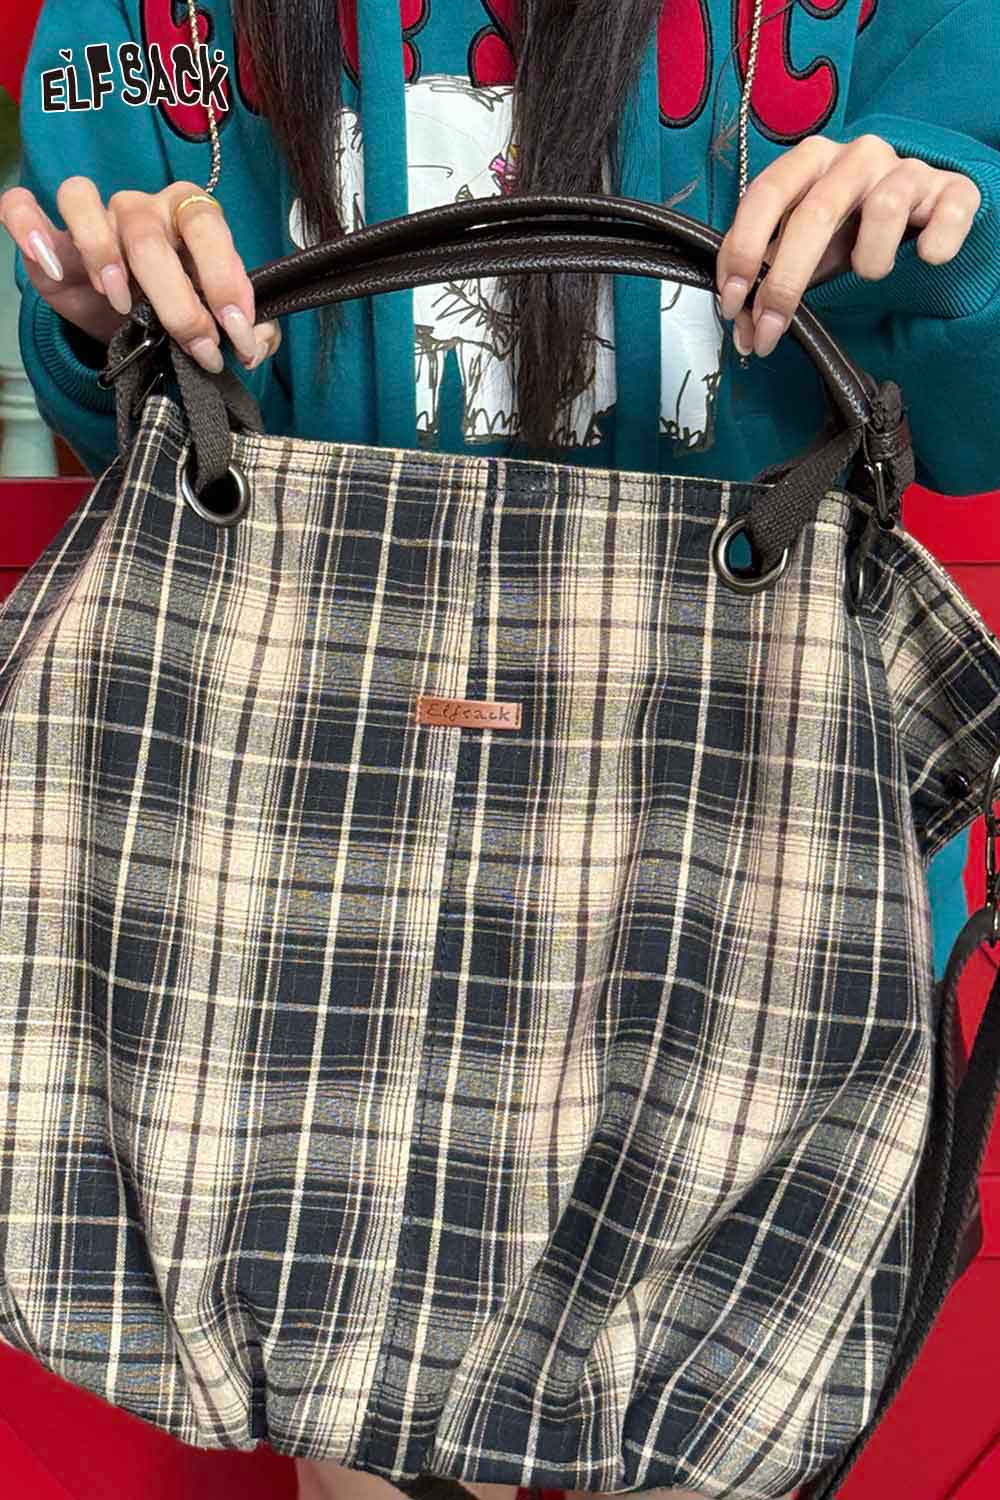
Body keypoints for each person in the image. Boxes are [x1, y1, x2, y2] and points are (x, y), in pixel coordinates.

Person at [3, 3, 998, 1498]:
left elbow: (974, 433)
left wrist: (959, 251)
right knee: (353, 1434)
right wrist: (106, 327)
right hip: (300, 868)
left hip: (728, 869)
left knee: (706, 1425)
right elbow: (154, 456)